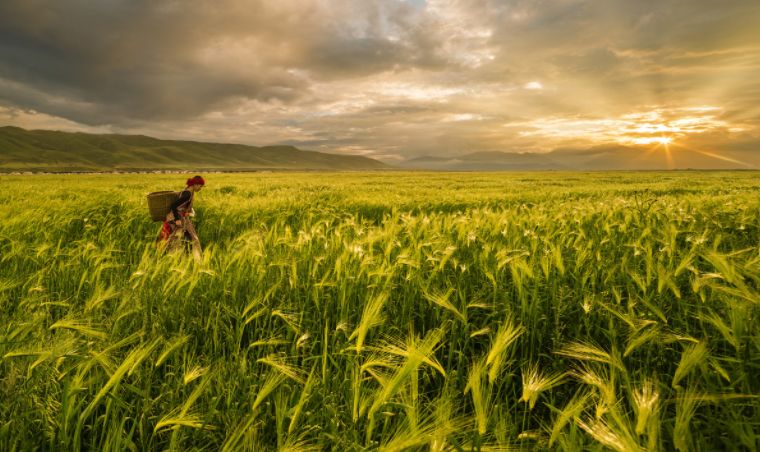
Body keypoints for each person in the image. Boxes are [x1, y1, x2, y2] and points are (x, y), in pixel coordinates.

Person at [159, 175, 205, 259]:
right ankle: (170, 257)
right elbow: (173, 206)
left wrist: (188, 212)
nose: (200, 188)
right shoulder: (187, 194)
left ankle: (189, 257)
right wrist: (177, 219)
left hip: (183, 218)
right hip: (177, 218)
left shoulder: (189, 191)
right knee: (176, 239)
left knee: (189, 237)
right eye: (200, 186)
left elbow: (182, 206)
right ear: (196, 184)